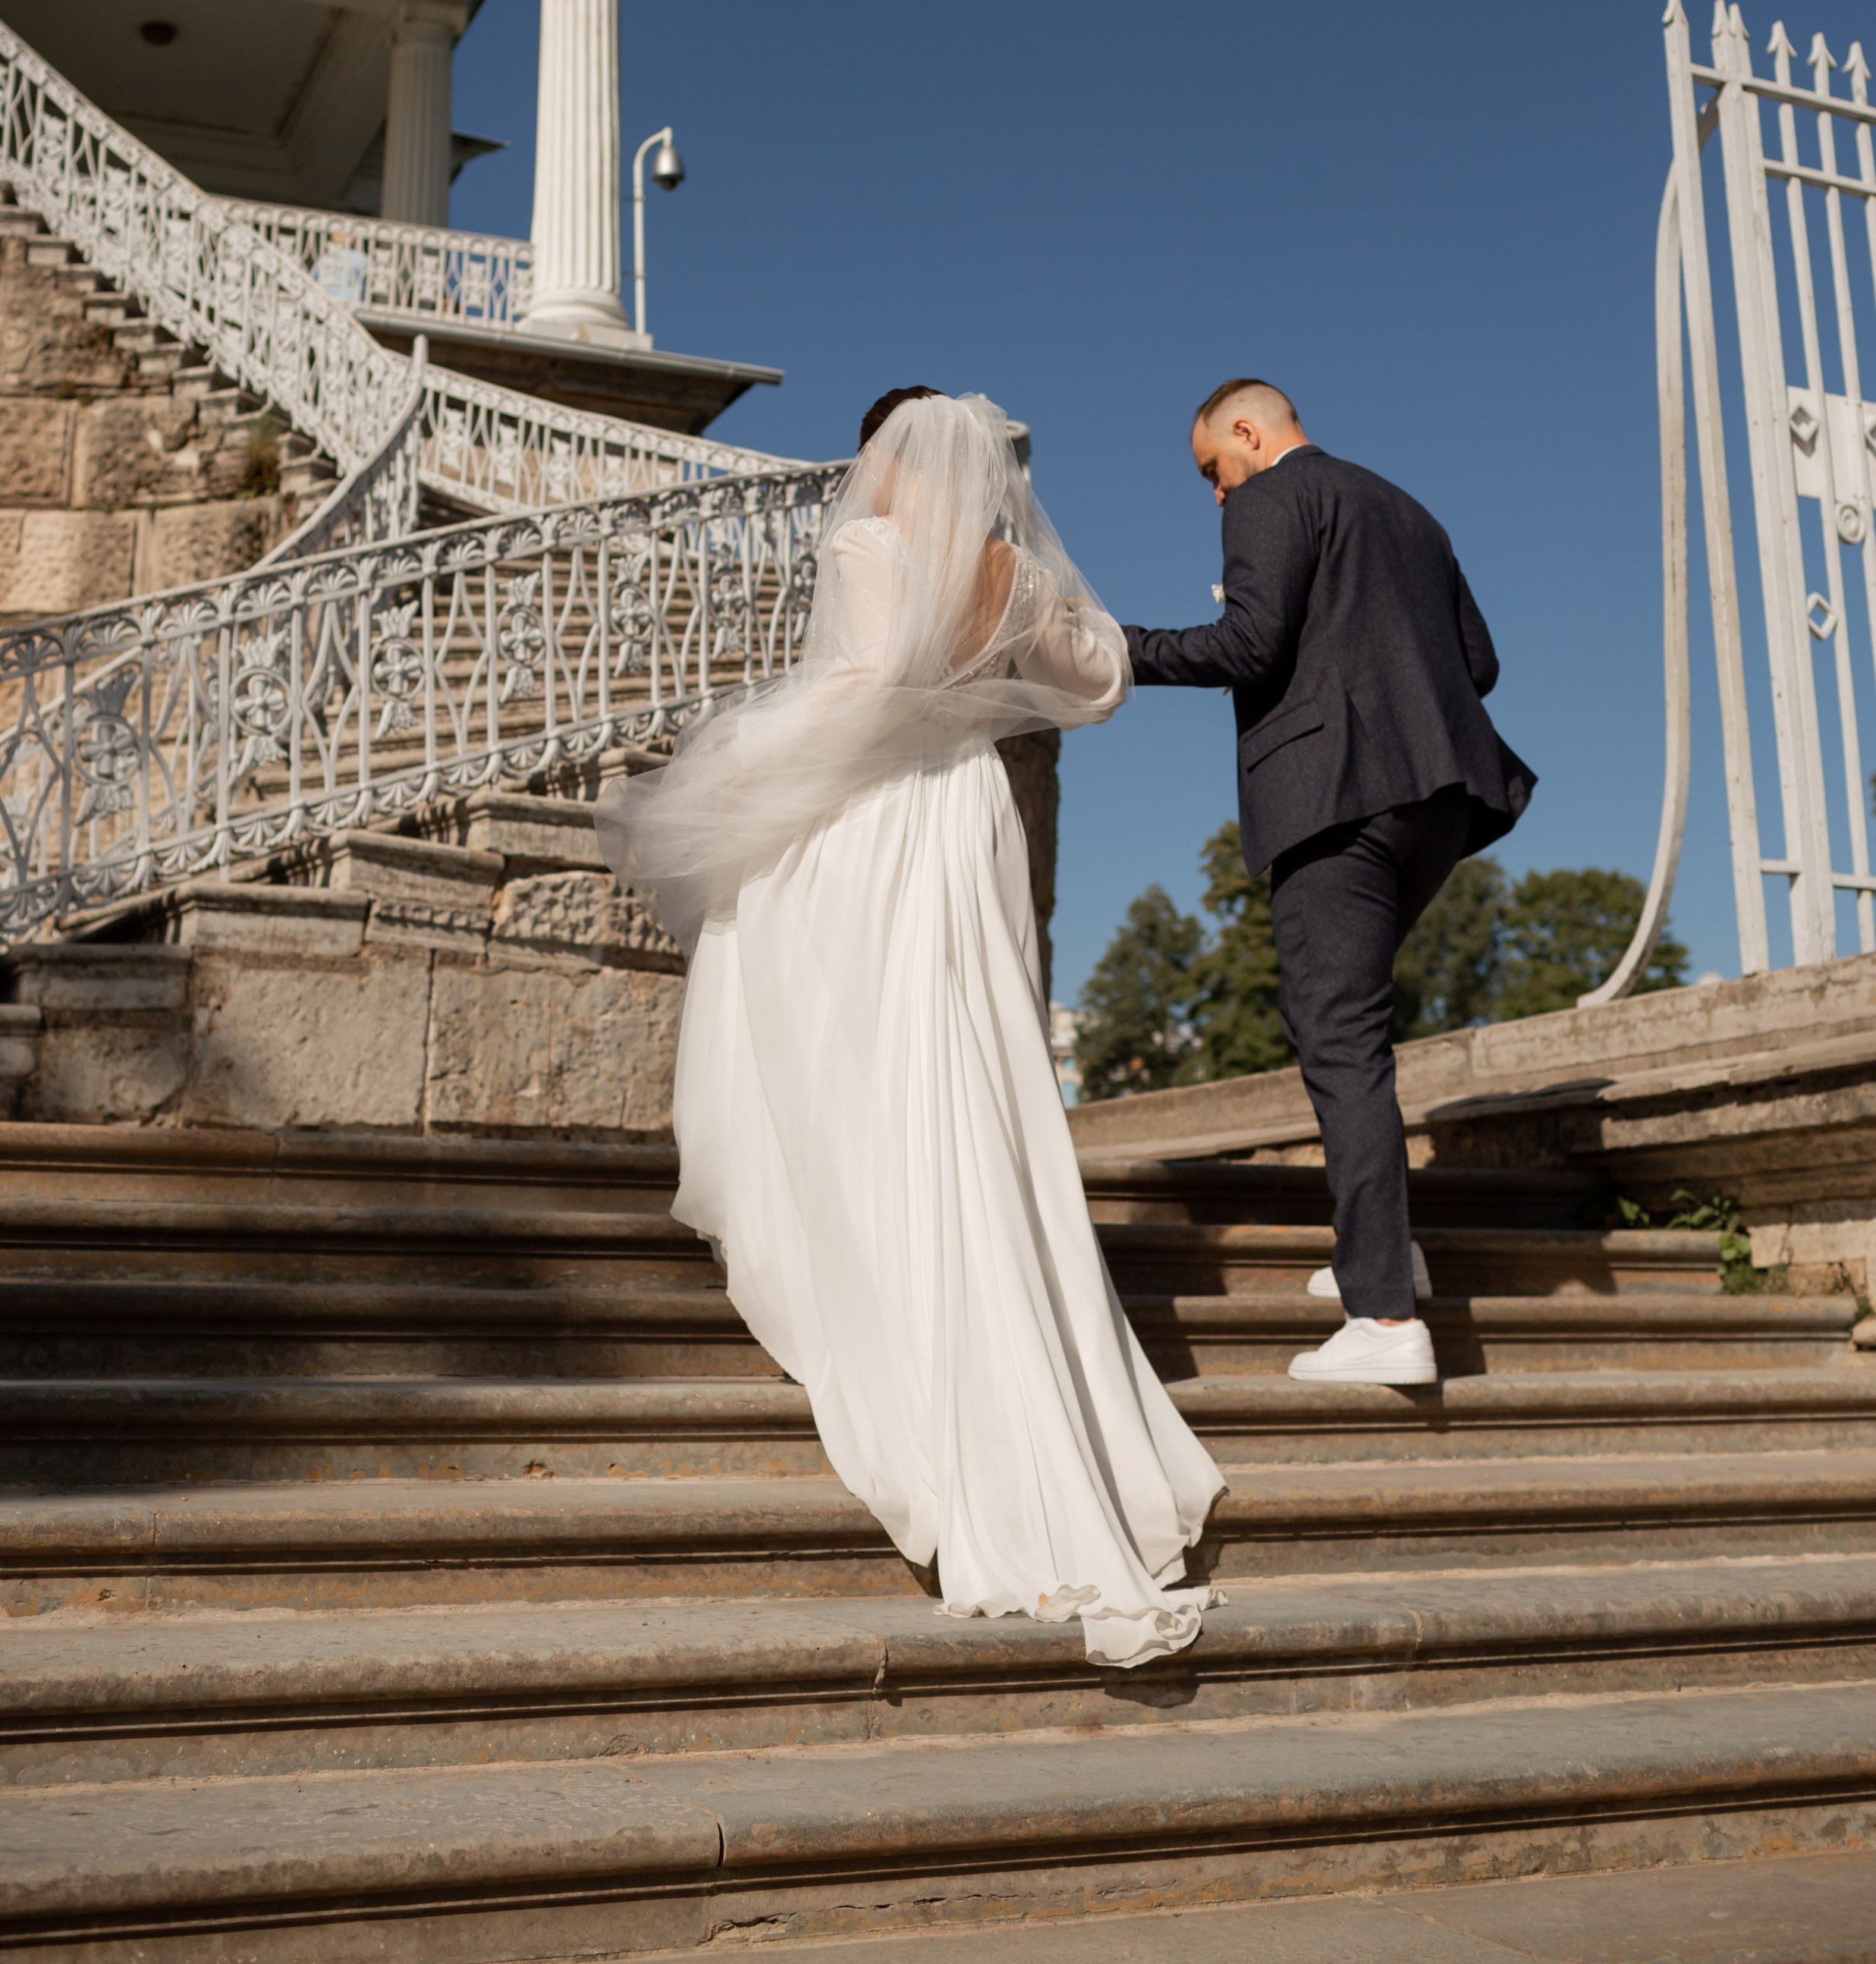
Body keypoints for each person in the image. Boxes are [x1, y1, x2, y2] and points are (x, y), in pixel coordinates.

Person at [598, 386, 1221, 1666]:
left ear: (890, 462)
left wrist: (747, 761)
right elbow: (1100, 687)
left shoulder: (875, 547)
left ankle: (860, 1254)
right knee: (968, 1068)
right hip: (967, 813)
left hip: (879, 814)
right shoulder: (1026, 578)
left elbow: (873, 682)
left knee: (849, 1043)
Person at [1123, 379, 1535, 1387]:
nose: (1218, 497)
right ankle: (1387, 1255)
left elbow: (1250, 644)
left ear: (1250, 436)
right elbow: (1478, 664)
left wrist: (1114, 648)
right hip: (1437, 797)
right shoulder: (1412, 513)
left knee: (1338, 1037)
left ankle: (1386, 1320)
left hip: (1334, 801)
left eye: (1211, 471)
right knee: (1352, 1023)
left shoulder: (1273, 496)